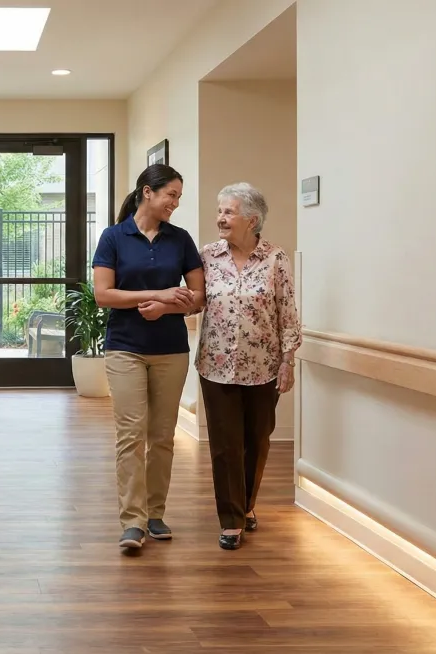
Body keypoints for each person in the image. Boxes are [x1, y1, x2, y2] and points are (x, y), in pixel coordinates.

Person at [92, 164, 205, 550]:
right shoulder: (114, 237)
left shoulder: (181, 240)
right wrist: (156, 296)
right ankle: (132, 521)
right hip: (124, 346)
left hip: (171, 350)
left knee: (161, 436)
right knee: (130, 434)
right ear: (147, 192)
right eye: (170, 195)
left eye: (178, 197)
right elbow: (103, 295)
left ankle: (156, 513)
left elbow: (198, 297)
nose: (175, 203)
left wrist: (166, 308)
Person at [196, 182, 300, 550]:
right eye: (219, 210)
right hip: (216, 364)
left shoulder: (276, 258)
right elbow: (194, 300)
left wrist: (288, 362)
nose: (220, 218)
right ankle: (231, 520)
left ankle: (247, 505)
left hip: (263, 366)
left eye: (228, 211)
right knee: (225, 445)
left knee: (256, 441)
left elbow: (287, 312)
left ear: (252, 219)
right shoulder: (207, 256)